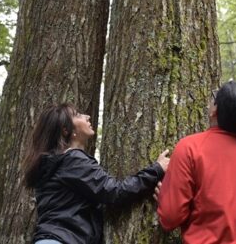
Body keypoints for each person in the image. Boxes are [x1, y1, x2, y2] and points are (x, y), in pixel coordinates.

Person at [23, 103, 170, 244]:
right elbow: (115, 192)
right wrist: (156, 169)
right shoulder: (72, 161)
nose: (87, 116)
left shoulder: (56, 164)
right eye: (77, 115)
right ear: (66, 130)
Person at [156, 81, 236, 244]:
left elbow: (170, 218)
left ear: (214, 109)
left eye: (214, 96)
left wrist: (166, 199)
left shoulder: (190, 148)